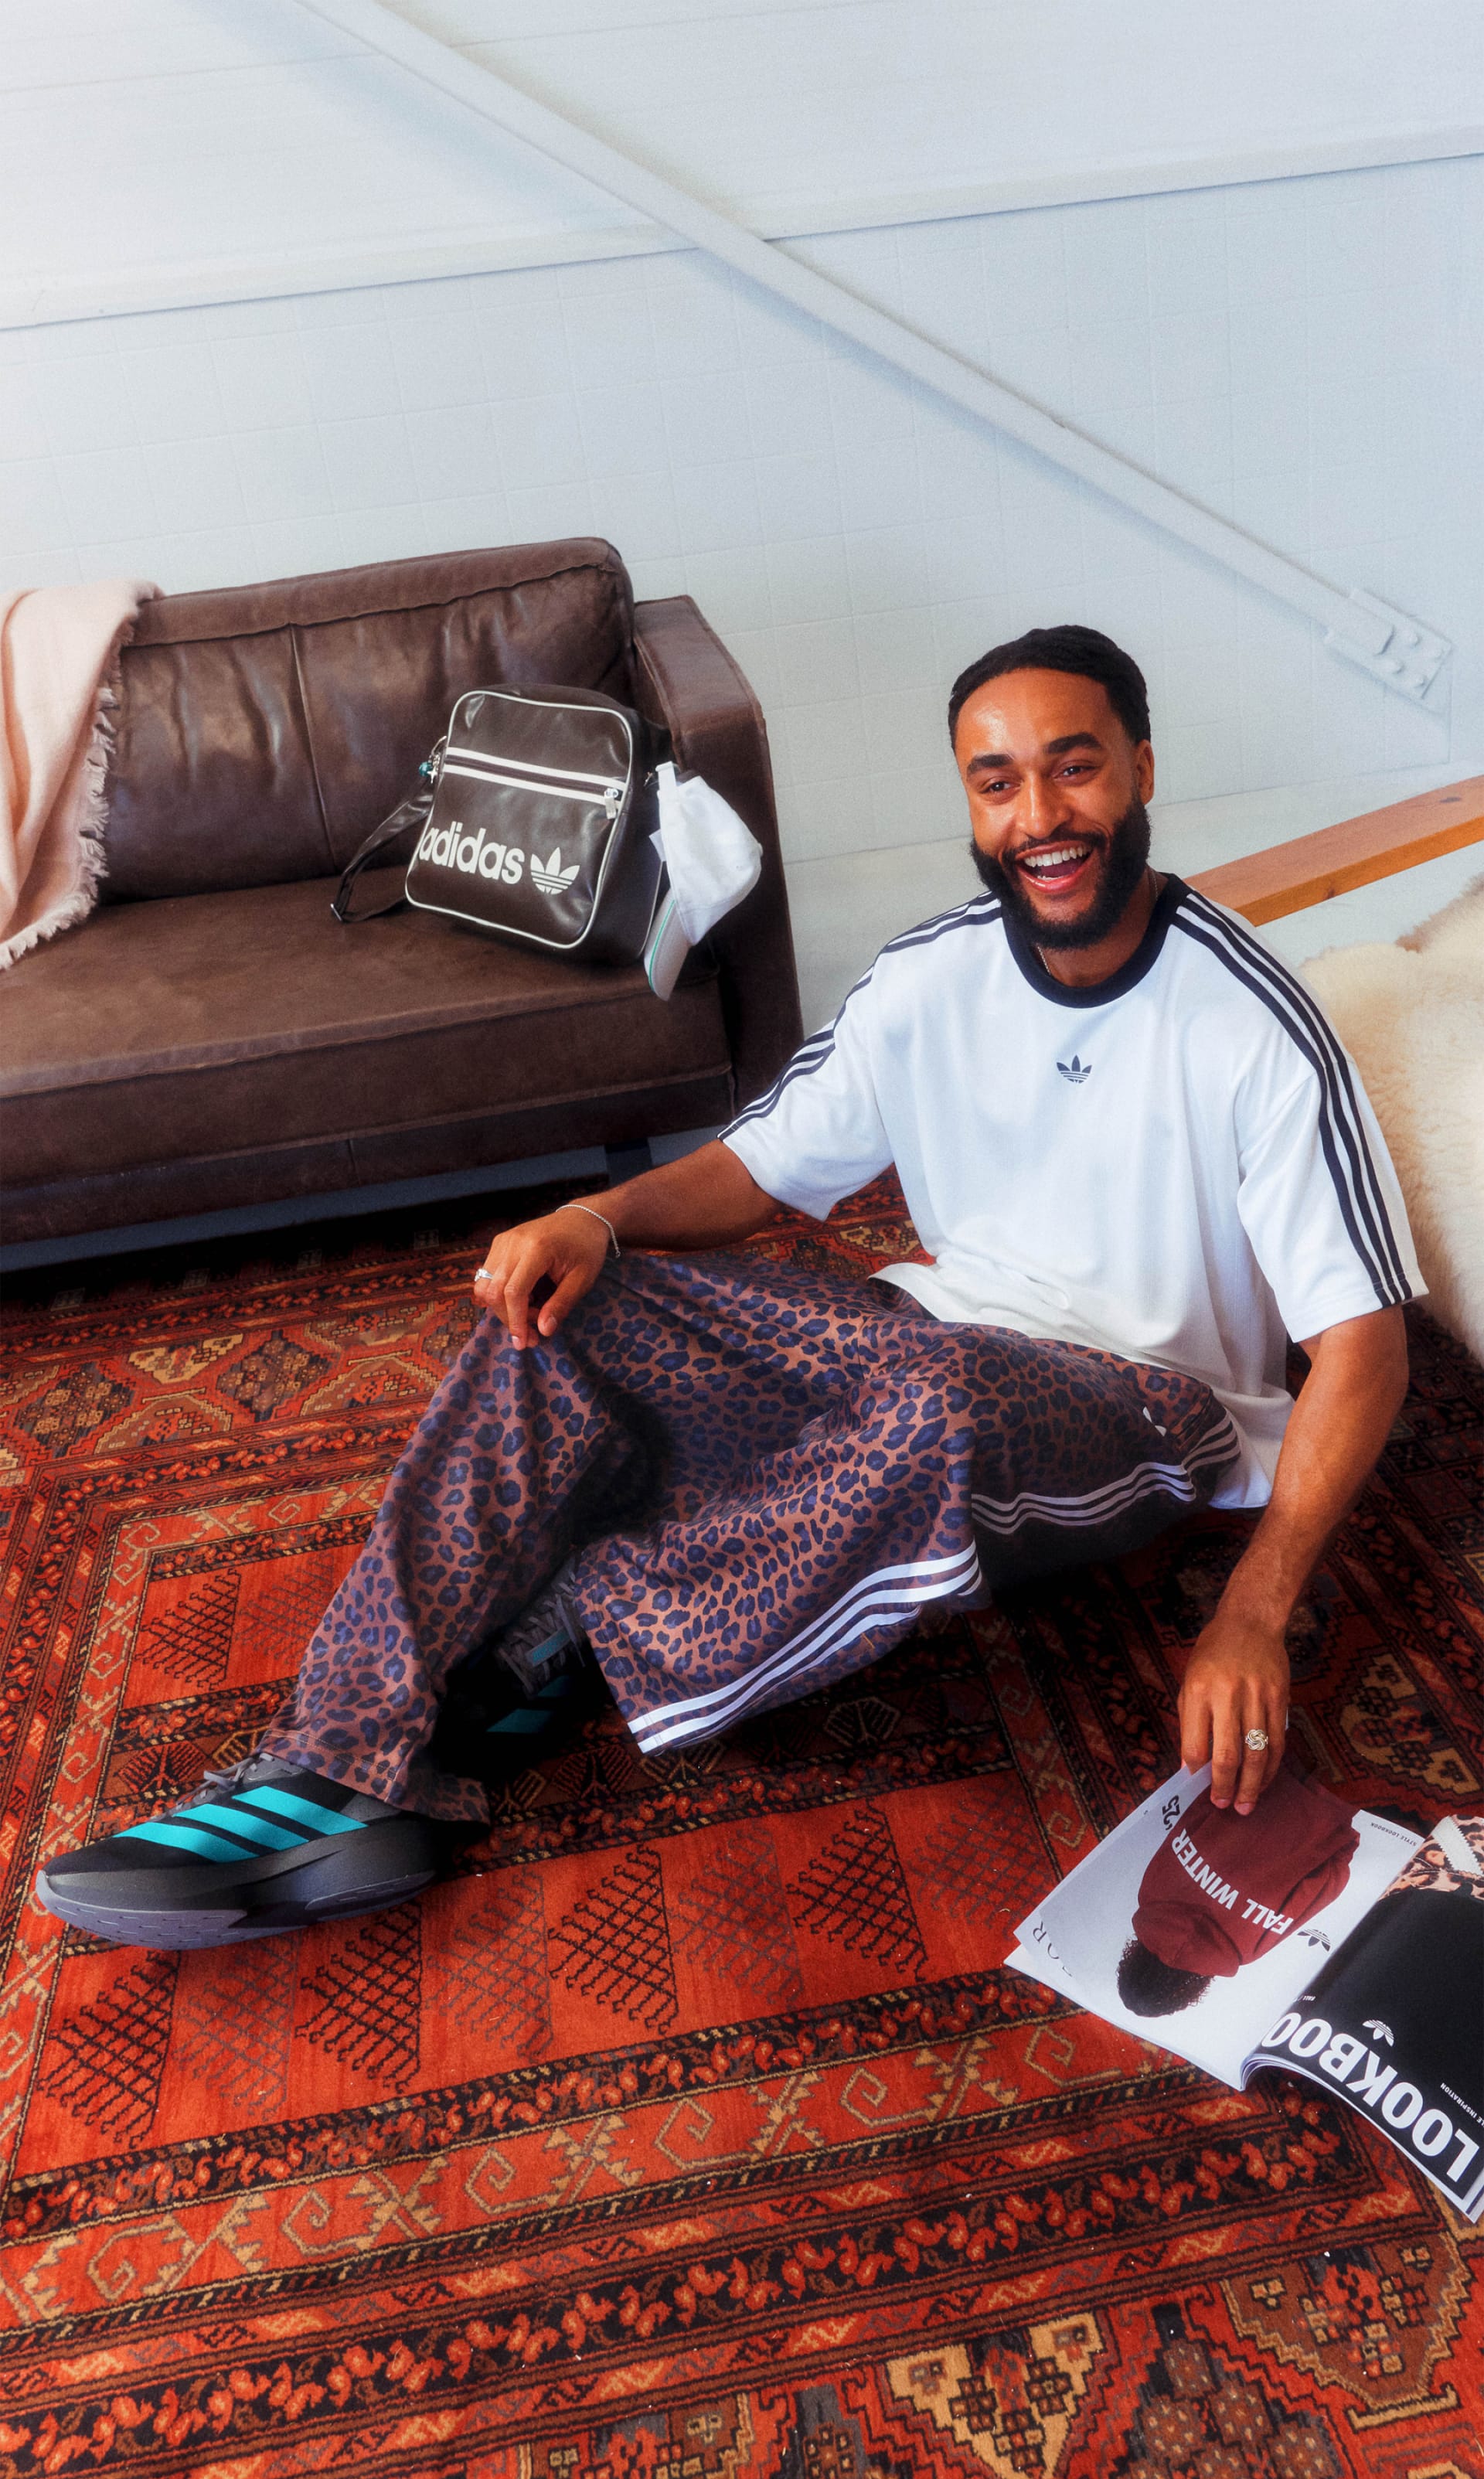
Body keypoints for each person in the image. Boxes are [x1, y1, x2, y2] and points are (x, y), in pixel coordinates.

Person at [37, 625, 1420, 1951]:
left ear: (1143, 771)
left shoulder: (1254, 1027)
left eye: (1076, 763)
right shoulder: (929, 979)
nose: (1040, 812)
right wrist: (590, 1215)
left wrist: (1254, 1607)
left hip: (1147, 1409)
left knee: (927, 1403)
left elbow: (1364, 1347)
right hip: (915, 1333)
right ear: (972, 803)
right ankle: (336, 1762)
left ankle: (543, 1651)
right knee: (567, 1293)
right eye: (998, 780)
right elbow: (759, 1171)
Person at [1115, 1770, 1361, 2016]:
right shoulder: (1151, 1891)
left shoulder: (1245, 1950)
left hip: (1339, 1796)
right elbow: (1201, 1807)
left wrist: (1338, 1831)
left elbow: (1325, 1886)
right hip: (1273, 1765)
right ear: (1132, 1961)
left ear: (1182, 1993)